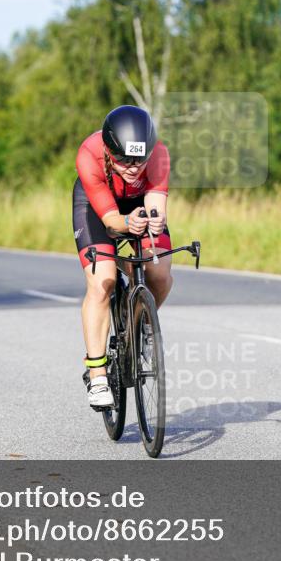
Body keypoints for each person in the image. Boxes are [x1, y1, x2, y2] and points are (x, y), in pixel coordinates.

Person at [73, 105, 173, 409]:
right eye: (124, 160)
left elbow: (155, 203)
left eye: (139, 160)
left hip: (138, 203)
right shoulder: (89, 155)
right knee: (102, 280)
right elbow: (112, 221)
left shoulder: (159, 155)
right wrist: (127, 223)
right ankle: (97, 374)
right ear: (108, 150)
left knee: (159, 272)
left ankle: (141, 323)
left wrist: (154, 219)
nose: (132, 167)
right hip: (98, 207)